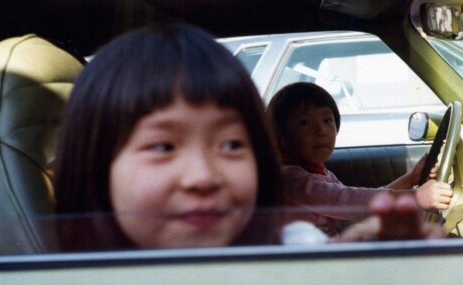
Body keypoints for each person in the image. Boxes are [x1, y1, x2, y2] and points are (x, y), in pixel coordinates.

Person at [53, 24, 443, 252]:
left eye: (231, 145)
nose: (204, 176)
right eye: (162, 147)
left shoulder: (288, 243)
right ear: (95, 169)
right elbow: (344, 201)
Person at [267, 82, 453, 237]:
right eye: (305, 123)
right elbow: (345, 202)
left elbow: (354, 207)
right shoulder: (289, 178)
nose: (321, 131)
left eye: (327, 120)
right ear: (281, 135)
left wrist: (410, 179)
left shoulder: (321, 172)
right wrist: (416, 197)